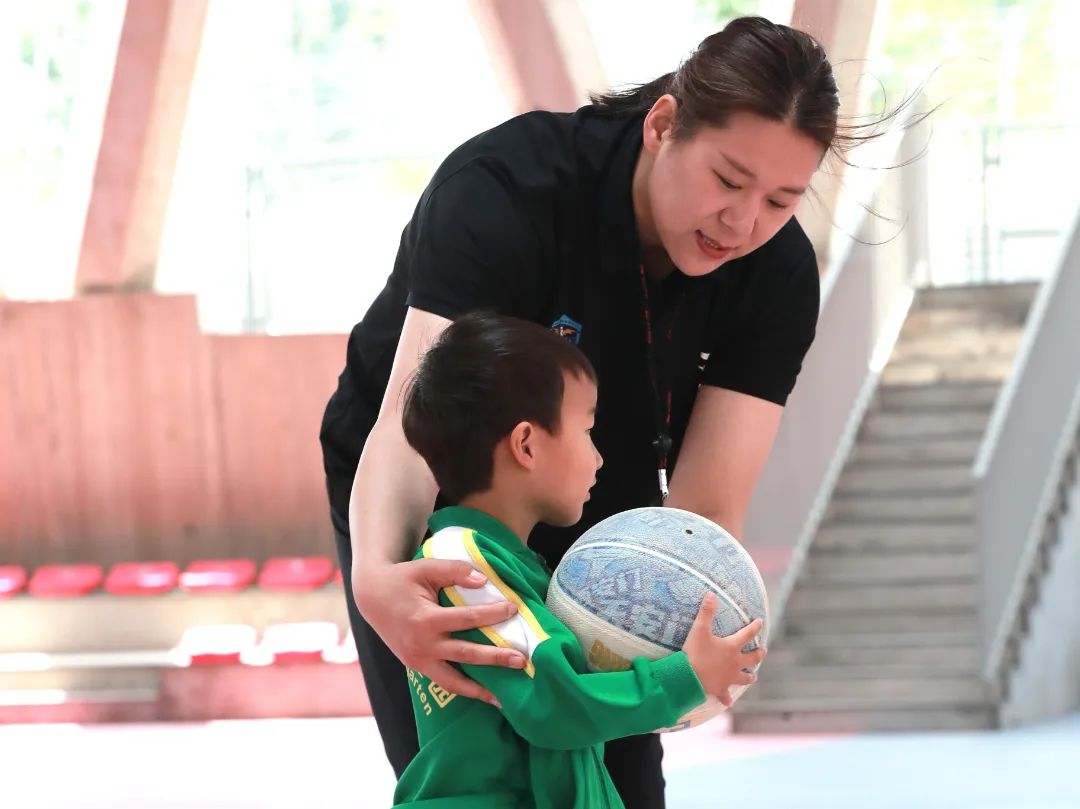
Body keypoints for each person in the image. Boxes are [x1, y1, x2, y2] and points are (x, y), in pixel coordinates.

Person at [320, 15, 848, 808]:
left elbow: (703, 513)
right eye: (728, 180)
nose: (743, 224)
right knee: (484, 763)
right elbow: (408, 428)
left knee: (615, 774)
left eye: (780, 200)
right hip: (441, 479)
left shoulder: (775, 275)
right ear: (663, 125)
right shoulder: (507, 189)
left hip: (603, 490)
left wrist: (690, 664)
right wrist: (380, 583)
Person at [392, 312, 765, 809]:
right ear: (526, 445)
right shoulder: (460, 563)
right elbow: (554, 706)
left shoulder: (511, 566)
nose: (599, 458)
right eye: (588, 431)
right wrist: (685, 677)